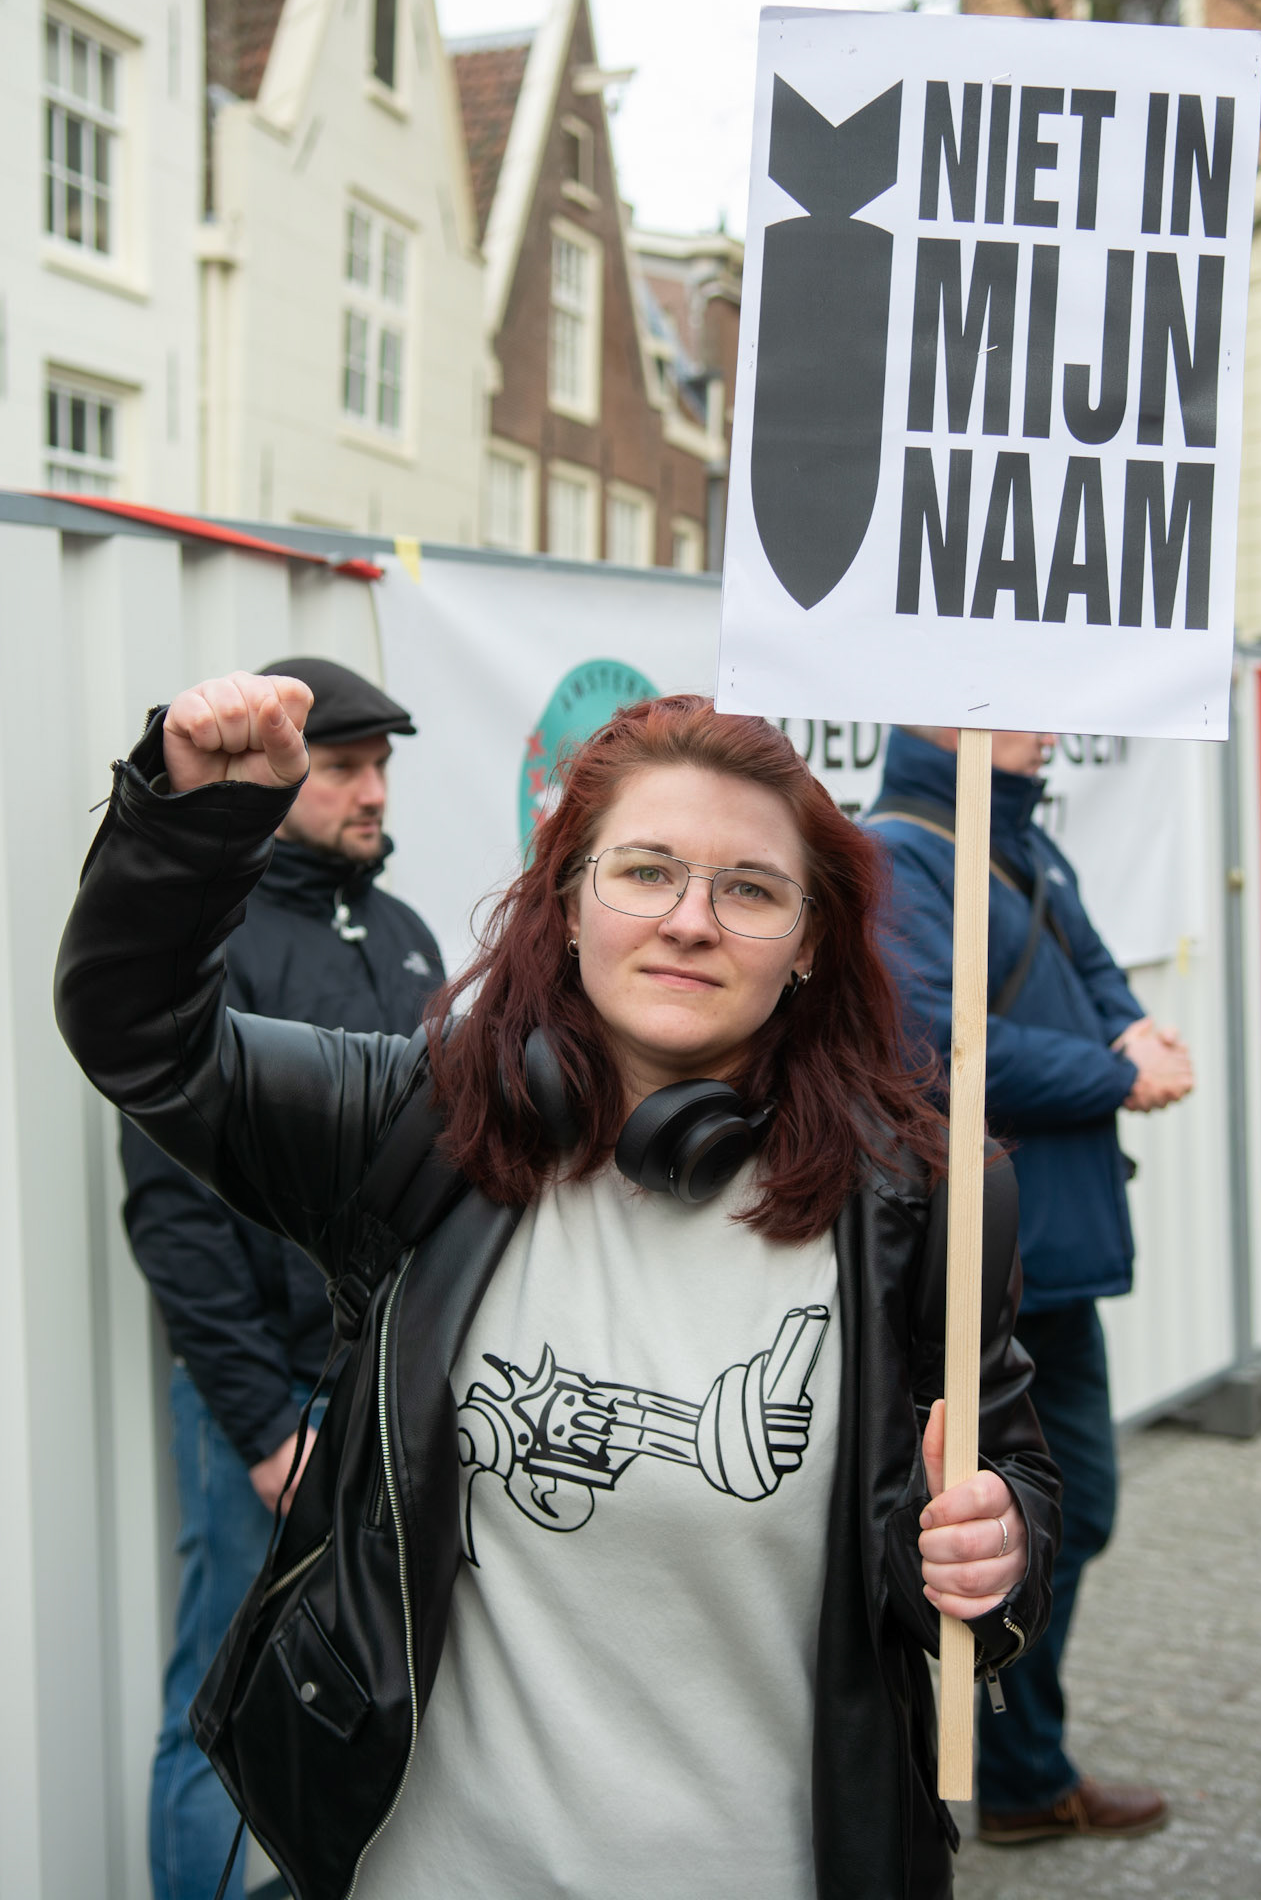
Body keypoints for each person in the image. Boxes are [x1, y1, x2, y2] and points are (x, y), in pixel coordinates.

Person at [58, 673, 1061, 1900]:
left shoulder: (921, 1198)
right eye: (645, 870)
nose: (690, 919)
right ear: (570, 903)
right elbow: (141, 1033)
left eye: (750, 888)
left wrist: (996, 1552)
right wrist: (195, 822)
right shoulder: (420, 1127)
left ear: (809, 942)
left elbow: (1007, 1484)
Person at [119, 657, 443, 1900]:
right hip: (265, 1409)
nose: (372, 792)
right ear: (285, 773)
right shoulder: (220, 941)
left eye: (381, 767)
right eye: (345, 768)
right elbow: (173, 1212)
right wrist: (261, 1424)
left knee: (374, 1681)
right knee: (224, 1693)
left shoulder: (405, 933)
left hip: (386, 1388)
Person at [867, 724, 1194, 1846]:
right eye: (1022, 706)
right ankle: (1015, 1775)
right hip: (988, 1266)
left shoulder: (1028, 843)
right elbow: (934, 1041)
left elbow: (1097, 970)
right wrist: (1116, 1074)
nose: (1050, 727)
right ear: (936, 712)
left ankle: (1017, 1763)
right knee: (1011, 1531)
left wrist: (1136, 1032)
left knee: (1070, 1513)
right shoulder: (896, 853)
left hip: (1057, 1254)